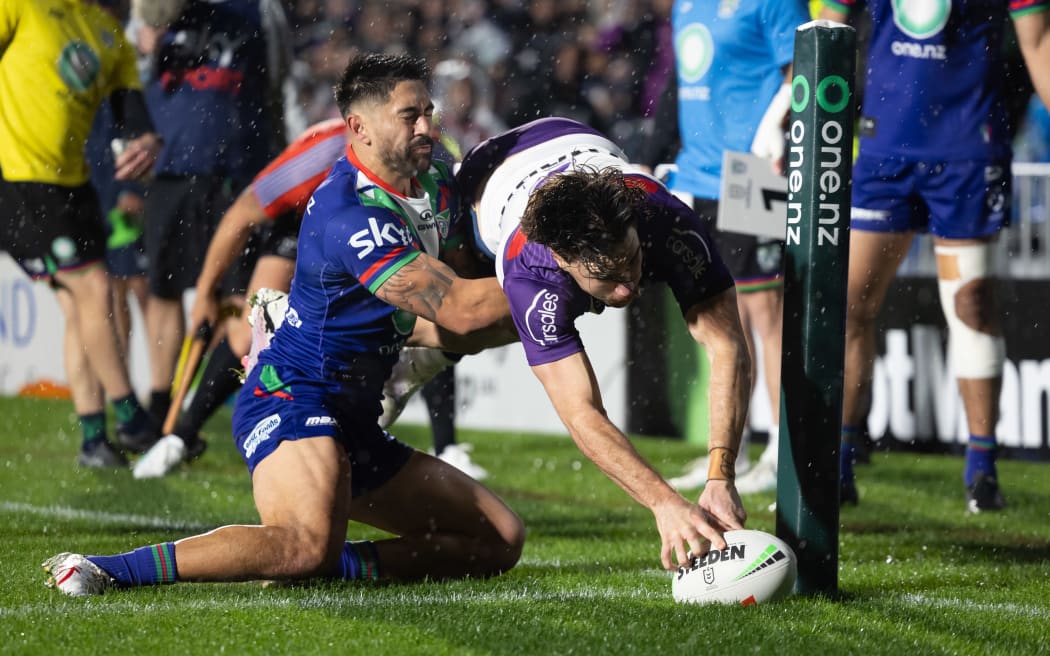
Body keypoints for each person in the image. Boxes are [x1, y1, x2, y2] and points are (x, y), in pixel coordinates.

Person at [43, 53, 524, 597]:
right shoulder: (352, 211)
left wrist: (543, 311)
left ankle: (334, 563)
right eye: (410, 115)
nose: (426, 127)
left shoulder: (435, 177)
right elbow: (458, 308)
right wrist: (560, 281)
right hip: (294, 397)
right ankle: (107, 568)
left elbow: (457, 319)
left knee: (499, 540)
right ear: (358, 128)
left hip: (358, 413)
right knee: (301, 544)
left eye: (428, 112)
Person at [455, 116, 752, 570]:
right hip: (483, 182)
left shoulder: (664, 216)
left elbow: (727, 345)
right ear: (561, 260)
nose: (627, 290)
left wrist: (720, 475)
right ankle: (413, 361)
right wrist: (665, 504)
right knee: (467, 323)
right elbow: (581, 413)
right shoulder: (530, 270)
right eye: (608, 279)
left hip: (576, 136)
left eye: (632, 263)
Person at [132, 118, 488, 480]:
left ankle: (445, 445)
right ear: (362, 128)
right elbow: (242, 214)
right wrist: (207, 292)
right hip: (302, 227)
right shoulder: (320, 155)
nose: (421, 127)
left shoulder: (431, 157)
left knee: (429, 303)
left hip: (380, 231)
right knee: (249, 329)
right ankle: (180, 437)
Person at [818, 0, 1050, 512]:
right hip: (884, 151)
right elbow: (826, 30)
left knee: (971, 307)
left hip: (967, 149)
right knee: (850, 306)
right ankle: (841, 455)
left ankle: (982, 468)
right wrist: (801, 119)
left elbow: (1037, 42)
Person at [641, 0, 810, 494]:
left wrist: (770, 136)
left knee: (766, 314)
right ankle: (729, 451)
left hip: (753, 173)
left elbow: (803, 71)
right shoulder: (687, 5)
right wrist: (654, 154)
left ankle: (782, 453)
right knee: (714, 319)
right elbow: (681, 85)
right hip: (696, 177)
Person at [0, 0, 163, 467]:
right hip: (19, 179)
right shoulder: (22, 6)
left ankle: (93, 438)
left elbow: (132, 114)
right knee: (93, 289)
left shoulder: (109, 32)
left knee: (78, 308)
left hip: (75, 185)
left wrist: (148, 142)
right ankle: (130, 416)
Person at [130, 0, 292, 430]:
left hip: (239, 175)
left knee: (236, 297)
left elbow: (278, 83)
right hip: (173, 168)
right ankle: (160, 401)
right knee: (164, 289)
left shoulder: (259, 11)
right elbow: (135, 62)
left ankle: (206, 405)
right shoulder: (159, 10)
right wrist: (149, 39)